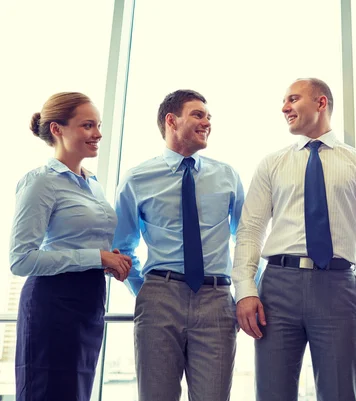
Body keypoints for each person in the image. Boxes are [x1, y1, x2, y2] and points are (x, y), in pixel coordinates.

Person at [232, 78, 356, 401]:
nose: (284, 107)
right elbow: (250, 230)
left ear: (321, 103)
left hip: (337, 287)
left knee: (342, 394)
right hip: (277, 290)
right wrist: (245, 290)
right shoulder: (272, 164)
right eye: (283, 101)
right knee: (273, 394)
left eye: (293, 99)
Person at [112, 89, 244, 401]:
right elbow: (121, 248)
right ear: (172, 120)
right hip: (160, 298)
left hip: (216, 299)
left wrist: (245, 293)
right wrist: (147, 291)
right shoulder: (137, 179)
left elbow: (248, 240)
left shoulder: (227, 176)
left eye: (209, 117)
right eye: (198, 114)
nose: (207, 122)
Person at [9, 92, 132, 401]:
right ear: (57, 129)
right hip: (52, 306)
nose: (98, 134)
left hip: (89, 303)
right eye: (87, 125)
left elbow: (79, 246)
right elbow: (21, 259)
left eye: (99, 125)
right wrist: (95, 256)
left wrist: (105, 260)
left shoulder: (92, 183)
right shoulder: (41, 182)